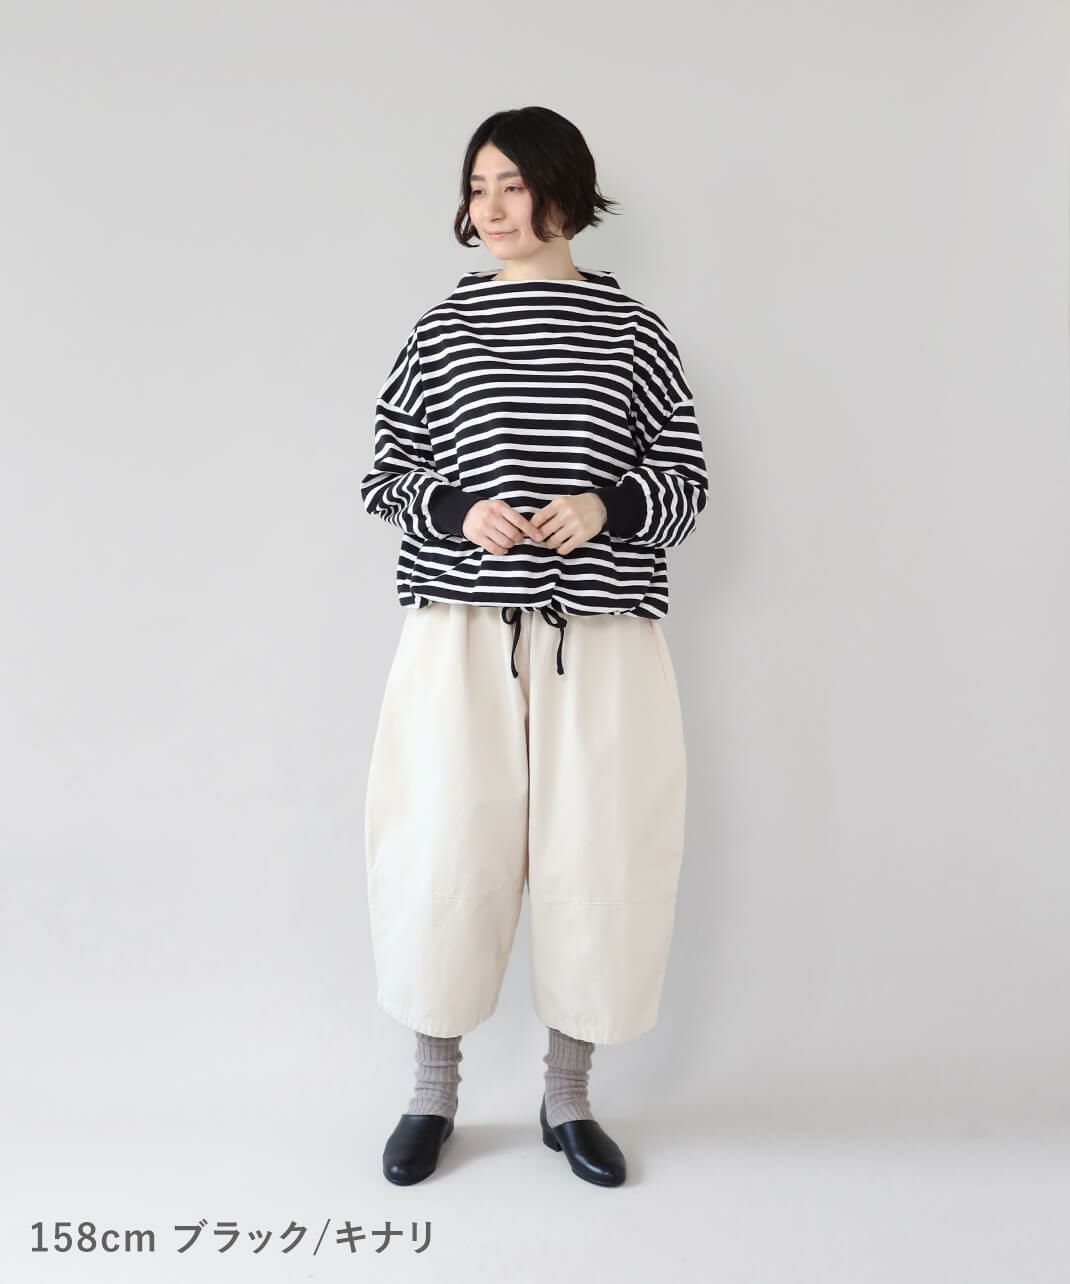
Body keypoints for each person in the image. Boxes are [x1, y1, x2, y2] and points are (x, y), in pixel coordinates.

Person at [360, 105, 709, 1187]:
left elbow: (686, 481)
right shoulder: (442, 330)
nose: (492, 207)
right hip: (459, 632)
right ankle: (432, 1093)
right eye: (478, 187)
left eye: (512, 184)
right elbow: (385, 472)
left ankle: (568, 1099)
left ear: (564, 189)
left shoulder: (633, 332)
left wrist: (607, 506)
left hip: (599, 638)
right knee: (443, 846)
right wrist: (455, 508)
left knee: (594, 852)